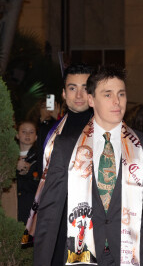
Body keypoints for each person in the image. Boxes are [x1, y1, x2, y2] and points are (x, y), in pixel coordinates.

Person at [34, 65, 143, 266]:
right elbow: (49, 212)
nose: (117, 101)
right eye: (107, 95)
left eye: (121, 94)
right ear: (91, 100)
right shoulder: (66, 146)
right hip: (82, 252)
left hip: (129, 252)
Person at [24, 64, 93, 253]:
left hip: (92, 227)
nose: (79, 95)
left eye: (85, 88)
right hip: (55, 224)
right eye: (72, 88)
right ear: (63, 93)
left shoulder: (106, 133)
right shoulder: (48, 133)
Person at [16, 120, 39, 224]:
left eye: (31, 132)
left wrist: (23, 174)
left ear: (36, 137)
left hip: (30, 210)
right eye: (24, 131)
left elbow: (39, 186)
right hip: (11, 206)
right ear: (17, 135)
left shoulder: (40, 159)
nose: (27, 135)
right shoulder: (8, 157)